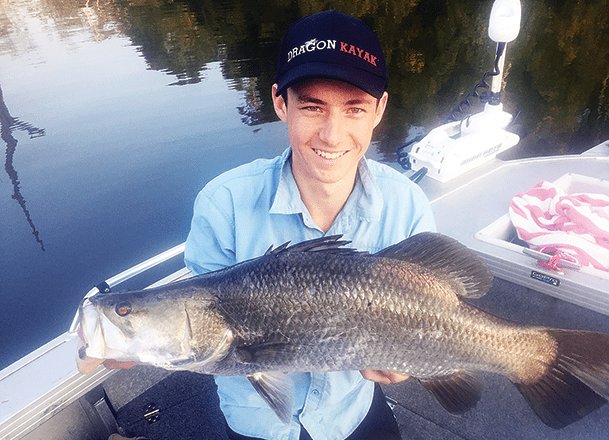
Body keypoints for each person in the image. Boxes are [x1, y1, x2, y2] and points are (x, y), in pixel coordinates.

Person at [78, 9, 435, 440]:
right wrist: (122, 338)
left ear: (379, 110)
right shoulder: (223, 203)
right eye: (311, 106)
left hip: (352, 412)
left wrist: (409, 363)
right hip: (257, 423)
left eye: (355, 109)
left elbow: (435, 312)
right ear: (280, 104)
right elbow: (197, 308)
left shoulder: (408, 204)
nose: (333, 134)